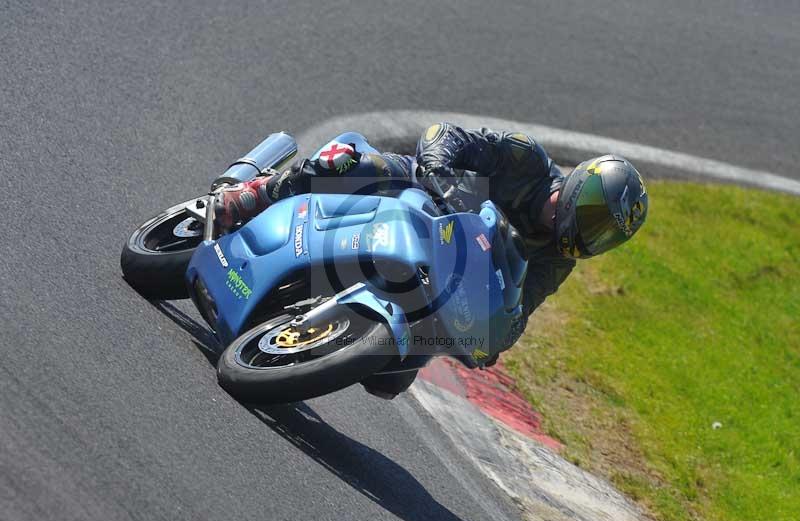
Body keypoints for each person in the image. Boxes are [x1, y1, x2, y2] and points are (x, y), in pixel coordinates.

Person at [214, 123, 649, 398]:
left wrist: (498, 332)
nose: (592, 234)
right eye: (595, 218)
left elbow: (519, 308)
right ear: (581, 188)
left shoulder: (557, 259)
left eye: (605, 236)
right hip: (417, 194)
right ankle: (257, 194)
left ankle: (311, 326)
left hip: (440, 274)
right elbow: (445, 135)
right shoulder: (527, 160)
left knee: (391, 379)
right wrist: (447, 182)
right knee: (346, 164)